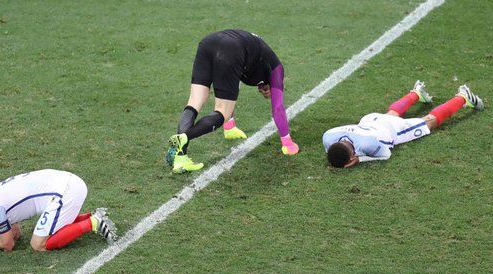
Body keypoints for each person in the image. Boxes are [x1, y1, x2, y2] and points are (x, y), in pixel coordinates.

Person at [165, 29, 300, 174]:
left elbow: (233, 85)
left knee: (195, 101)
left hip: (209, 41)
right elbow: (278, 108)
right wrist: (287, 143)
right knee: (223, 111)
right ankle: (184, 137)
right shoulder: (277, 70)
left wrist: (230, 126)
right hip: (231, 48)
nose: (267, 92)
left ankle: (180, 158)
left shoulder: (254, 62)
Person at [323, 81, 484, 168]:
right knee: (391, 114)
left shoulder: (368, 145)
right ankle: (416, 93)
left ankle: (463, 97)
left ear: (352, 156)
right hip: (370, 120)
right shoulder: (328, 136)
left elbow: (386, 155)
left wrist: (360, 160)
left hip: (393, 130)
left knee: (428, 122)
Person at [0, 169, 117, 252]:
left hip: (66, 192)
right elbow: (15, 233)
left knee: (38, 244)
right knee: (45, 234)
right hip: (68, 183)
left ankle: (93, 222)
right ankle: (92, 216)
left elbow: (7, 245)